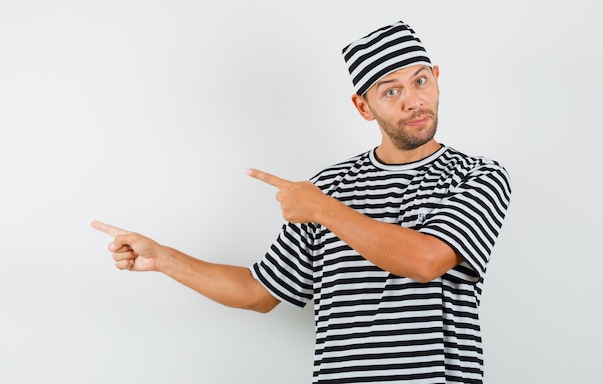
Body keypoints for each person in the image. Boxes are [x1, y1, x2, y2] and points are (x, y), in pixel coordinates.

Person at [92, 20, 512, 383]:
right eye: (391, 91)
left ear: (437, 78)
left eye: (420, 81)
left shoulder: (478, 175)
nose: (413, 101)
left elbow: (426, 261)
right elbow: (260, 291)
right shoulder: (327, 186)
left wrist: (321, 209)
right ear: (363, 107)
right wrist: (164, 258)